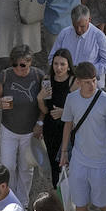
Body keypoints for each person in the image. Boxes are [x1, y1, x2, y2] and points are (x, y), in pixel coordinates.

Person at [59, 61, 106, 211]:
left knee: (103, 204)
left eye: (94, 80)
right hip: (79, 160)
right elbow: (67, 125)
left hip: (101, 161)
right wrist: (64, 152)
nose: (92, 85)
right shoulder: (71, 99)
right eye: (87, 82)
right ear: (78, 82)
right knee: (80, 204)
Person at [0, 45, 43, 207]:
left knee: (26, 169)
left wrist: (40, 123)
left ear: (30, 62)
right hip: (9, 129)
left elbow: (45, 104)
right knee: (7, 167)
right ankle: (9, 200)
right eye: (14, 65)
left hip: (29, 131)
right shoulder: (5, 76)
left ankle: (23, 202)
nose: (18, 69)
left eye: (22, 65)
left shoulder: (39, 76)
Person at [48, 5, 106, 87]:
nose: (78, 30)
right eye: (75, 26)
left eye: (82, 26)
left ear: (89, 20)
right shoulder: (64, 33)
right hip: (67, 82)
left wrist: (85, 71)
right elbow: (51, 58)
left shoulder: (98, 36)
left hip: (90, 84)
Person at [39, 47, 74, 187]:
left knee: (67, 163)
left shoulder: (74, 82)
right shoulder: (47, 80)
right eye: (56, 64)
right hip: (50, 128)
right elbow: (46, 110)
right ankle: (58, 192)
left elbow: (80, 109)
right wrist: (39, 99)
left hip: (68, 129)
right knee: (54, 163)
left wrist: (64, 112)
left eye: (62, 64)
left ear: (69, 66)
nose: (58, 68)